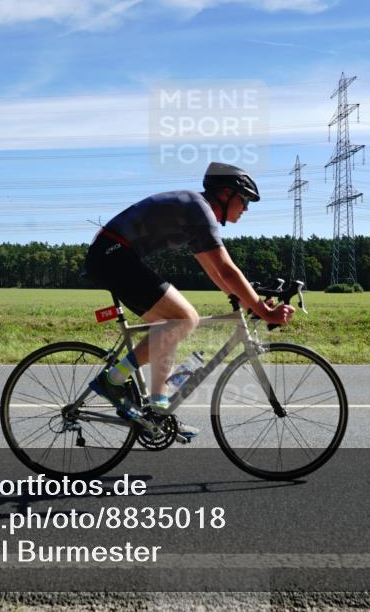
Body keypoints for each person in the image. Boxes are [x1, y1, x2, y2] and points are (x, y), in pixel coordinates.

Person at [84, 162, 295, 437]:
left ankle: (158, 413)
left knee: (169, 325)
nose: (246, 208)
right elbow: (227, 270)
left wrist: (249, 303)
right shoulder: (200, 211)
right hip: (114, 256)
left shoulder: (196, 211)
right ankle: (113, 380)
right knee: (186, 318)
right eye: (244, 200)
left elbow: (216, 272)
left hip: (114, 256)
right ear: (225, 194)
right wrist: (262, 311)